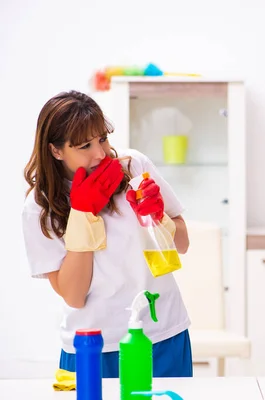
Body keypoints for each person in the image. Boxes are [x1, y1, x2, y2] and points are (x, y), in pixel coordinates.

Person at [22, 90, 193, 378]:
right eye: (84, 145)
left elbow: (183, 243)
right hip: (94, 345)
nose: (100, 153)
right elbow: (74, 296)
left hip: (163, 332)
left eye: (102, 138)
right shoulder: (40, 206)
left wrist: (157, 217)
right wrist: (82, 214)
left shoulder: (133, 167)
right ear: (56, 150)